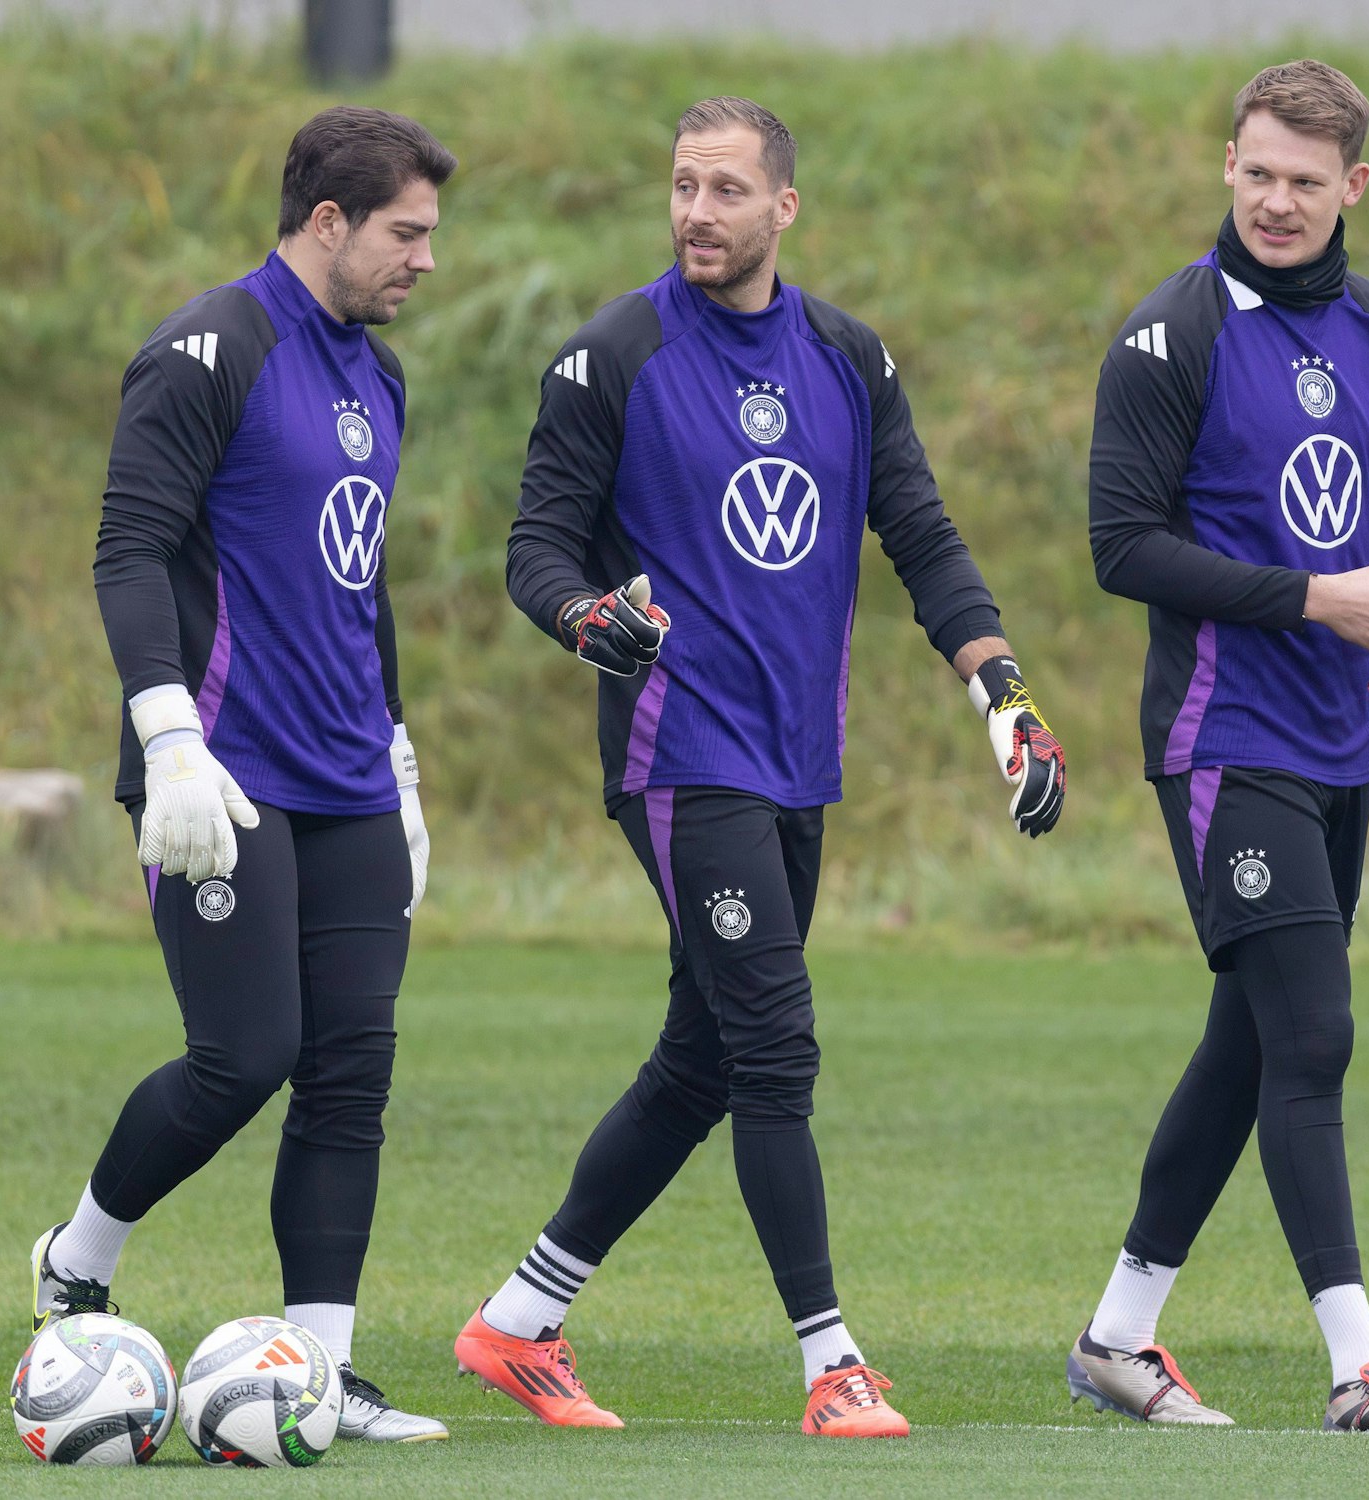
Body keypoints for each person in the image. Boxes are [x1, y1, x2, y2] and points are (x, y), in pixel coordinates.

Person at [455, 95, 1067, 1439]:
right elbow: (537, 553)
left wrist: (1003, 696)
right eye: (681, 185)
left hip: (798, 761)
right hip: (681, 753)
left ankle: (517, 1320)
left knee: (707, 1056)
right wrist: (585, 620)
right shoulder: (609, 355)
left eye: (727, 191)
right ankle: (831, 1362)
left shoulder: (850, 359)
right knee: (777, 1047)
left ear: (784, 208)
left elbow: (921, 535)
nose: (696, 214)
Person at [1074, 58, 1369, 1432]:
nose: (1277, 200)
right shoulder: (1171, 337)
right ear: (1228, 165)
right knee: (1313, 1035)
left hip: (1343, 742)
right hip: (1223, 741)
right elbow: (1121, 548)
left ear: (1353, 189)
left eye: (1306, 182)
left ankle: (1116, 1339)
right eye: (1258, 172)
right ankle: (1360, 1361)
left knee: (1253, 1047)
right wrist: (1312, 600)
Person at [30, 106, 456, 1444]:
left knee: (352, 1071)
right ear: (327, 222)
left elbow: (359, 579)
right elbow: (130, 552)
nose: (426, 262)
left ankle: (321, 1374)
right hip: (223, 776)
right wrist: (166, 741)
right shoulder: (209, 347)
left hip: (346, 780)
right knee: (247, 1054)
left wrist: (397, 756)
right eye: (407, 233)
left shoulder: (378, 379)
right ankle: (79, 1257)